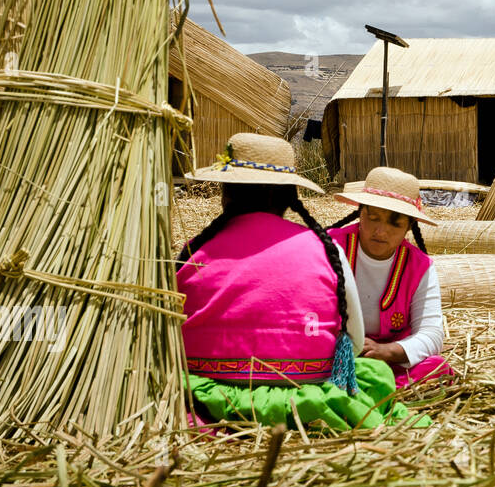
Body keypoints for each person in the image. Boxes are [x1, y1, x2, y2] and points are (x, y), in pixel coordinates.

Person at [176, 134, 429, 431]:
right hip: (303, 397)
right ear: (288, 197)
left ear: (225, 193)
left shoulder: (193, 251)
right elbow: (354, 341)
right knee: (374, 375)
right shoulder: (326, 249)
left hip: (207, 394)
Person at [328, 166, 454, 388]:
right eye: (373, 217)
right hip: (330, 355)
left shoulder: (419, 267)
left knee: (437, 367)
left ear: (409, 225)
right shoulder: (329, 247)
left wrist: (387, 351)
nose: (381, 231)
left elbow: (432, 333)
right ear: (360, 212)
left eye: (395, 223)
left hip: (387, 363)